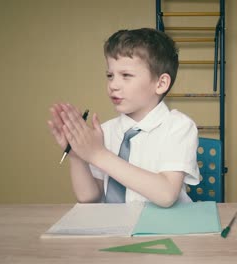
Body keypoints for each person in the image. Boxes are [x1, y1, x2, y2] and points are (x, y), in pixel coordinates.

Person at [47, 28, 200, 207]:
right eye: (110, 76)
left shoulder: (178, 126)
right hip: (115, 228)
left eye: (126, 75)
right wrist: (77, 156)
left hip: (164, 227)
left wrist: (98, 154)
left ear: (161, 83)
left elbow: (166, 194)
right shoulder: (105, 131)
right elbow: (90, 197)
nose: (113, 85)